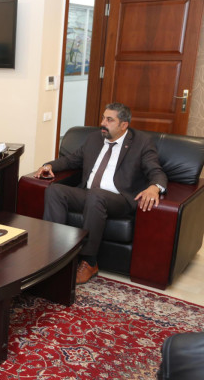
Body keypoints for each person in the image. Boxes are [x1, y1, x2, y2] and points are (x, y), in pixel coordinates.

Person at [34, 102, 167, 284]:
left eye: (109, 120)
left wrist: (155, 187)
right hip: (89, 194)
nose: (103, 123)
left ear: (124, 125)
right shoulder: (95, 138)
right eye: (103, 118)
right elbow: (72, 160)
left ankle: (89, 261)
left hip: (120, 199)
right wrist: (49, 165)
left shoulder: (141, 142)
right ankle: (54, 255)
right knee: (55, 190)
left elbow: (156, 171)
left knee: (96, 195)